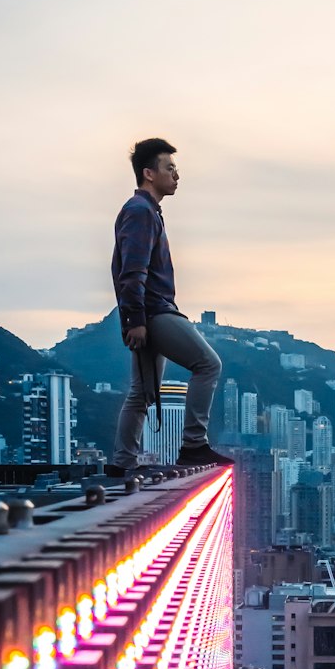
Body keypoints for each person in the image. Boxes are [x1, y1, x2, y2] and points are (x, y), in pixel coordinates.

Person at [108, 136, 231, 475]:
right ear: (149, 173)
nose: (177, 176)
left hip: (145, 312)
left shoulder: (145, 211)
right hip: (153, 311)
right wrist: (136, 319)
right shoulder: (140, 212)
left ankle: (122, 464)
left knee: (142, 392)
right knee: (208, 364)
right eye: (170, 168)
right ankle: (193, 444)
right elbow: (131, 271)